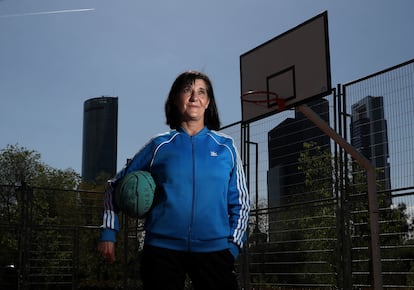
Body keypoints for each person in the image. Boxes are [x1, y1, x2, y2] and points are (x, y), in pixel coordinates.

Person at [97, 70, 250, 290]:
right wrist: (109, 232)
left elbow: (241, 203)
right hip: (162, 250)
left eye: (201, 92)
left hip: (215, 252)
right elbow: (114, 186)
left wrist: (233, 247)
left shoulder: (226, 147)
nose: (194, 97)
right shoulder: (159, 145)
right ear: (176, 99)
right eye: (187, 90)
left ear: (208, 102)